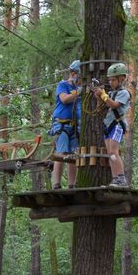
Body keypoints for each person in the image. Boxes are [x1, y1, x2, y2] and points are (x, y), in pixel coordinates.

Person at [92, 62, 131, 188]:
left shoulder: (124, 93)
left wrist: (103, 95)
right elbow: (101, 108)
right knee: (110, 153)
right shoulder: (112, 93)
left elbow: (114, 105)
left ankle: (121, 179)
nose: (111, 82)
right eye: (110, 80)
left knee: (114, 152)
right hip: (109, 125)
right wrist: (99, 97)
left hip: (117, 124)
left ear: (122, 78)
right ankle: (115, 179)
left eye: (113, 80)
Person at [49, 60, 82, 190]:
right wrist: (79, 92)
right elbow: (64, 99)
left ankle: (71, 185)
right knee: (61, 153)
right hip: (61, 124)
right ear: (73, 74)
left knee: (73, 155)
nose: (80, 81)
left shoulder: (78, 89)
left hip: (74, 125)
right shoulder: (63, 85)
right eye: (80, 78)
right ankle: (56, 184)